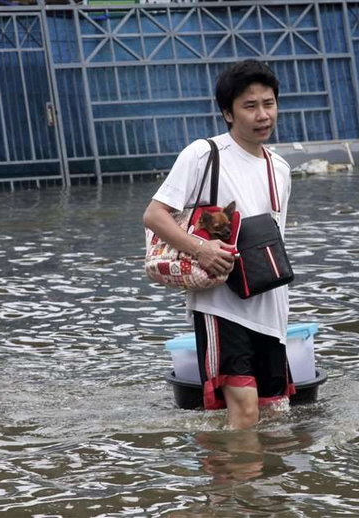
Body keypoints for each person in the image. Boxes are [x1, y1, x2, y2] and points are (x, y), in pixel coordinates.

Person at [143, 59, 294, 429]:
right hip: (221, 307)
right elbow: (154, 215)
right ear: (228, 113)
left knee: (275, 415)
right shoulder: (203, 155)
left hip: (271, 309)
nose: (263, 115)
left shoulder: (280, 168)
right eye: (250, 106)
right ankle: (225, 488)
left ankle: (259, 485)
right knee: (242, 411)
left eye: (269, 104)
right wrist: (202, 249)